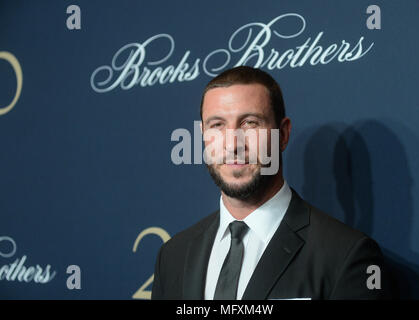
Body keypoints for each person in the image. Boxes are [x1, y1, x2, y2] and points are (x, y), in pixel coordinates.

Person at [152, 66, 392, 300]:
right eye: (217, 125)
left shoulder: (346, 256)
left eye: (250, 123)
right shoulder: (173, 256)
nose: (233, 144)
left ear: (283, 134)